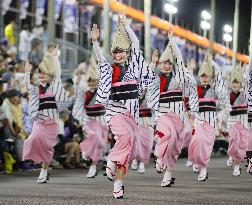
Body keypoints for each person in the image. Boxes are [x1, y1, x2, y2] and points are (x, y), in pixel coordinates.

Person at [91, 15, 158, 198]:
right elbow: (99, 58)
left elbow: (135, 41)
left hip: (131, 114)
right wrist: (95, 42)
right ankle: (111, 160)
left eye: (121, 51)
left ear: (127, 51)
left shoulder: (135, 64)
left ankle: (118, 185)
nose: (118, 55)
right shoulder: (109, 68)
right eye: (115, 52)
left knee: (129, 149)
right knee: (125, 137)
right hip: (114, 112)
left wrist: (126, 26)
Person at [152, 33, 198, 187]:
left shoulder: (178, 77)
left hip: (178, 117)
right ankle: (159, 156)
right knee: (168, 135)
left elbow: (179, 59)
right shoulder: (156, 79)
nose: (166, 65)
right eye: (164, 63)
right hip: (163, 114)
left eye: (169, 63)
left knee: (174, 146)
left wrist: (173, 42)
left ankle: (168, 173)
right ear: (160, 64)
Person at [22, 47, 73, 183]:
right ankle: (36, 162)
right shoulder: (35, 88)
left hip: (52, 123)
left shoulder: (54, 86)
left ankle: (44, 171)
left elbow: (58, 73)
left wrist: (55, 58)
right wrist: (27, 72)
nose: (42, 75)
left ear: (50, 74)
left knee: (47, 147)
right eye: (40, 72)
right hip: (39, 122)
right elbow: (27, 85)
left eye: (45, 73)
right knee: (33, 139)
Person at [188, 52, 231, 181]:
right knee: (196, 141)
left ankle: (203, 169)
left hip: (211, 121)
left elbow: (219, 78)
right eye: (202, 75)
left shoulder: (214, 89)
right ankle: (196, 160)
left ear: (210, 77)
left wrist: (212, 63)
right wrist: (190, 70)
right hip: (200, 120)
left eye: (207, 76)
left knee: (207, 146)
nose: (204, 78)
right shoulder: (196, 89)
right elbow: (188, 84)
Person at [72, 64, 108, 178]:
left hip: (100, 120)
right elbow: (77, 99)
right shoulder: (84, 92)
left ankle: (93, 167)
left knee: (98, 144)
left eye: (93, 81)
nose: (91, 83)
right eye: (89, 81)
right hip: (88, 120)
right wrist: (77, 83)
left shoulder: (103, 91)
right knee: (93, 136)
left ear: (97, 81)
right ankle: (86, 151)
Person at [226, 63, 249, 176]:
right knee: (234, 140)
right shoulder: (228, 95)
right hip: (232, 123)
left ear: (240, 84)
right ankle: (231, 155)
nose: (235, 85)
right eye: (234, 83)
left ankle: (236, 167)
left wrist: (244, 71)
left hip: (243, 124)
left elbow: (248, 84)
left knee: (240, 147)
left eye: (237, 83)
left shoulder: (244, 95)